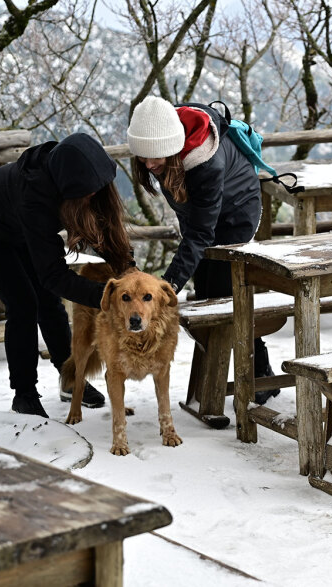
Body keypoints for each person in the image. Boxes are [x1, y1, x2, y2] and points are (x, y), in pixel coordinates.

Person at [126, 96, 280, 405]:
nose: (149, 165)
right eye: (142, 157)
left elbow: (200, 234)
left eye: (155, 157)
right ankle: (216, 380)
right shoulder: (161, 132)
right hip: (201, 218)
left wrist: (164, 289)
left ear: (173, 147)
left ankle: (253, 376)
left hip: (236, 215)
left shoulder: (206, 162)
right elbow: (196, 225)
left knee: (222, 297)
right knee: (208, 295)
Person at [0, 133, 134, 418]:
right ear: (71, 191)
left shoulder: (78, 175)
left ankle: (69, 378)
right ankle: (25, 394)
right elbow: (53, 275)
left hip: (24, 231)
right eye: (89, 193)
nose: (96, 195)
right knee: (24, 304)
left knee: (50, 303)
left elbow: (109, 237)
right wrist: (107, 296)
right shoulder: (35, 197)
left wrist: (130, 273)